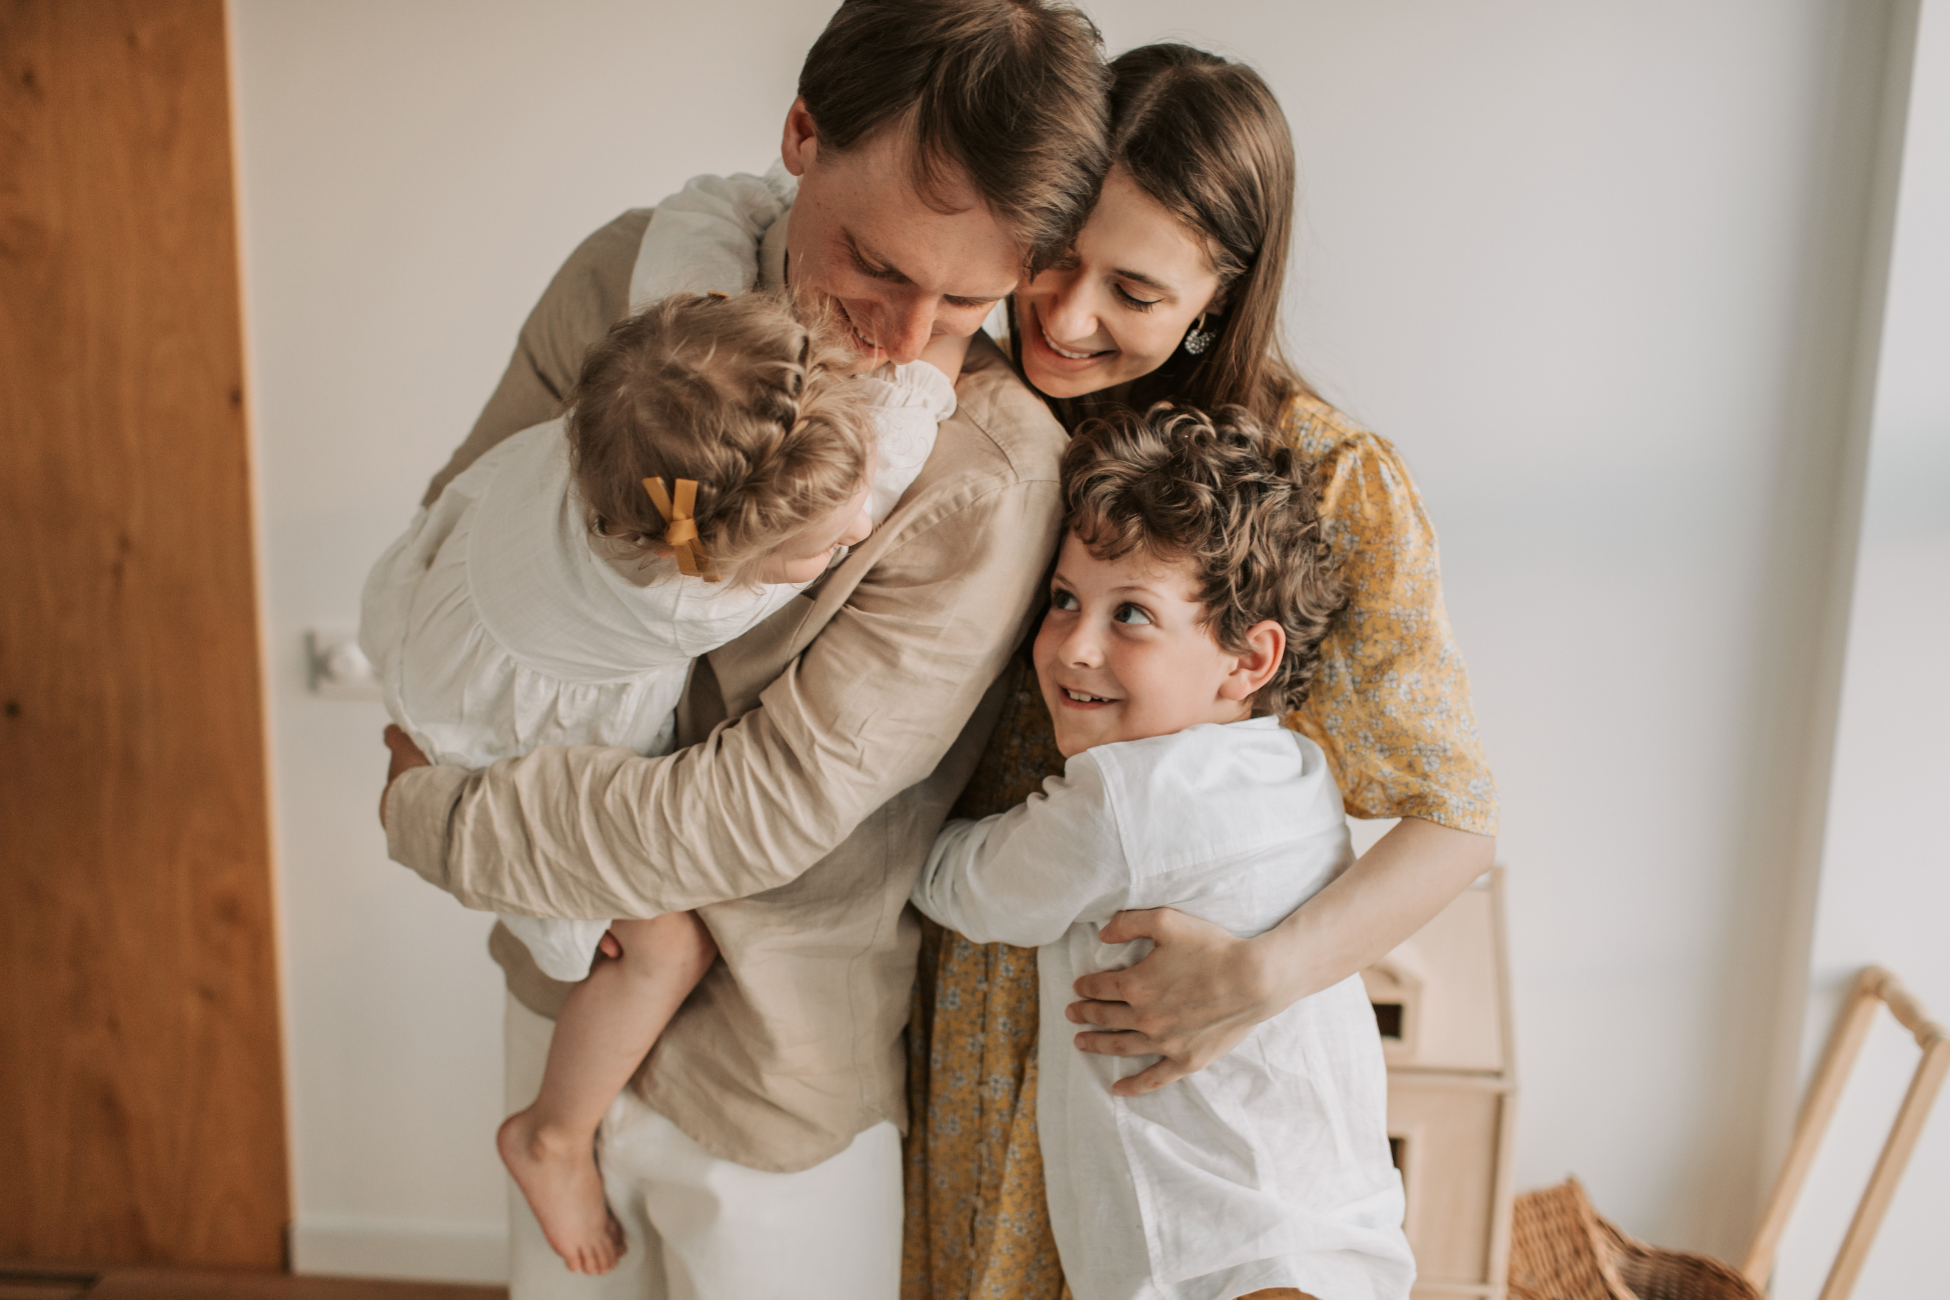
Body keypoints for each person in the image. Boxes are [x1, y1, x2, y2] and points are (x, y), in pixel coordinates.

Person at [377, 2, 1112, 1296]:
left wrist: (442, 818)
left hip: (776, 1076)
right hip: (560, 997)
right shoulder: (622, 279)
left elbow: (766, 805)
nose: (904, 338)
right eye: (875, 265)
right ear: (801, 134)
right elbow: (466, 530)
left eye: (969, 300)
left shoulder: (989, 474)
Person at [902, 45, 1499, 1299]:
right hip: (966, 1014)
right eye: (1054, 256)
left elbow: (1455, 822)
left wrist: (1255, 979)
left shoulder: (1328, 484)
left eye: (1132, 288)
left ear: (1221, 295)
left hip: (1171, 1055)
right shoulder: (957, 404)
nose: (1066, 316)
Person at [361, 286, 964, 1275]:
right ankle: (552, 1134)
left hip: (438, 635)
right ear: (714, 560)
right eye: (824, 548)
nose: (860, 528)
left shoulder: (617, 428)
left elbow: (696, 240)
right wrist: (946, 345)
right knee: (663, 945)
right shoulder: (683, 596)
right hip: (490, 731)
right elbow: (892, 460)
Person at [914, 405, 1414, 1300]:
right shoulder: (1297, 770)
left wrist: (896, 809)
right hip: (1335, 1233)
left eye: (1132, 614)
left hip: (1212, 1258)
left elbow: (965, 887)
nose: (1076, 646)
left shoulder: (1127, 799)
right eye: (1063, 600)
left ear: (1246, 660)